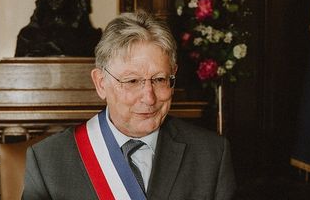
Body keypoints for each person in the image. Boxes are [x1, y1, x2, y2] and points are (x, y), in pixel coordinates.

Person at [21, 10, 236, 199]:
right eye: (132, 81)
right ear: (101, 83)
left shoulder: (211, 155)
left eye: (160, 79)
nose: (149, 98)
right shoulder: (48, 161)